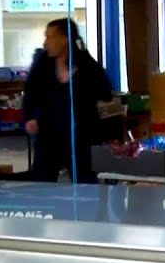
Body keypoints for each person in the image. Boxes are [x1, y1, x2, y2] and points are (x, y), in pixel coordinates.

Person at [22, 18, 112, 184]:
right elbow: (30, 92)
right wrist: (30, 117)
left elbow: (105, 92)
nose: (46, 42)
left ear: (65, 39)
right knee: (42, 181)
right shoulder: (43, 64)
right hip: (49, 135)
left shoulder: (86, 65)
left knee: (85, 182)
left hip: (80, 137)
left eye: (51, 37)